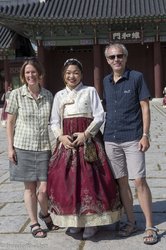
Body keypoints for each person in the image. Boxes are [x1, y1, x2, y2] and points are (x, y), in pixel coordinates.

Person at [47, 58, 123, 240]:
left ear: (81, 74)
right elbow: (54, 121)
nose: (72, 76)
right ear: (63, 76)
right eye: (68, 73)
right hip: (68, 142)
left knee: (92, 181)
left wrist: (86, 134)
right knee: (66, 181)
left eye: (75, 72)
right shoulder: (59, 95)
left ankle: (93, 222)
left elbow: (98, 116)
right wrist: (60, 137)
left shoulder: (90, 91)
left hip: (88, 141)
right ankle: (74, 221)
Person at [103, 43, 159, 245]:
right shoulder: (106, 81)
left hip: (133, 137)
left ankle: (150, 225)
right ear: (107, 60)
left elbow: (145, 107)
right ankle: (131, 221)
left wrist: (145, 134)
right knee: (122, 182)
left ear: (125, 57)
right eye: (112, 57)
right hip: (111, 138)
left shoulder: (137, 77)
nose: (116, 59)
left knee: (139, 181)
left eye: (119, 56)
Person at [6, 58, 59, 238]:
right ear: (23, 76)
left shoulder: (49, 95)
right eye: (27, 72)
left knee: (43, 189)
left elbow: (54, 121)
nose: (31, 75)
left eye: (33, 72)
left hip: (44, 147)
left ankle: (45, 214)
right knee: (29, 188)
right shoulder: (16, 95)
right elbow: (10, 122)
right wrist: (10, 148)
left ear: (40, 74)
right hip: (23, 146)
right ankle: (35, 222)